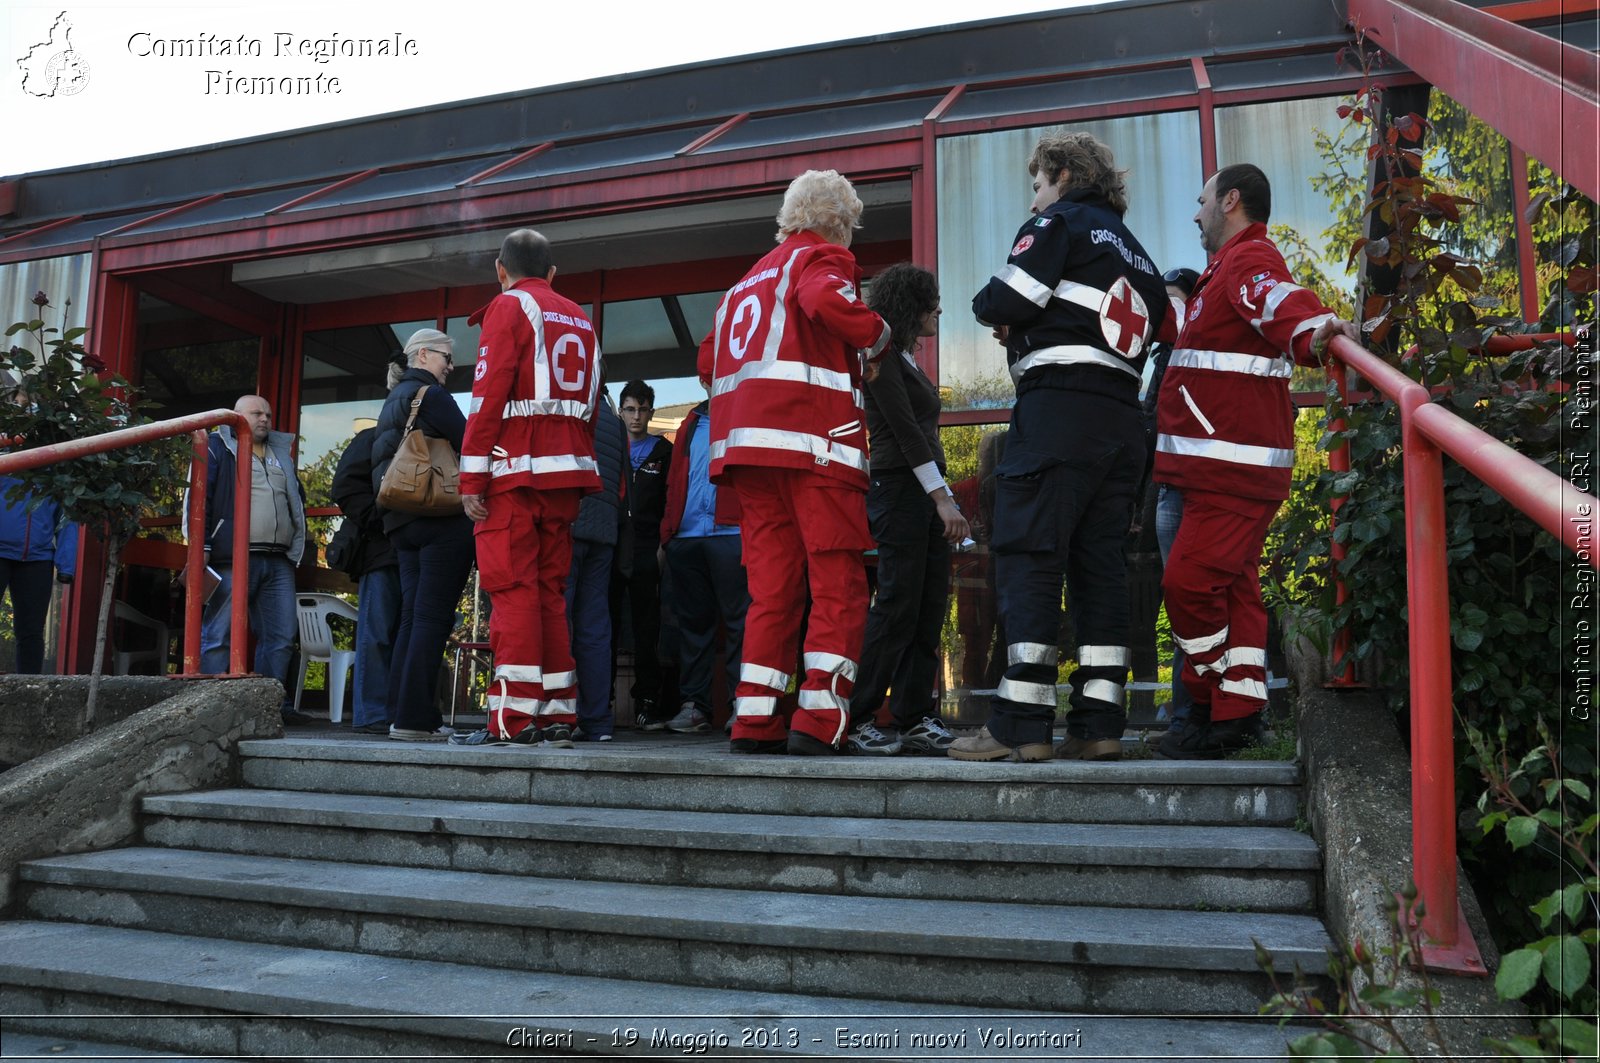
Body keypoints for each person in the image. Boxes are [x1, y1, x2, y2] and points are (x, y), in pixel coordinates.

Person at [950, 131, 1172, 764]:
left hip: (1057, 415)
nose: (1035, 196)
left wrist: (1001, 314)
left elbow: (1006, 297)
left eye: (1039, 183)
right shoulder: (1142, 258)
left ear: (1065, 175)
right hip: (1121, 425)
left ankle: (1020, 725)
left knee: (1031, 559)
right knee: (1100, 569)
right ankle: (1099, 723)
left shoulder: (1056, 224)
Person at [1153, 163, 1358, 759]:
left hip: (1230, 470)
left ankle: (1207, 698)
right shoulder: (1223, 270)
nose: (1194, 214)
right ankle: (1236, 714)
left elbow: (1275, 299)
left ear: (1231, 201)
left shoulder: (1246, 259)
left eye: (1201, 202)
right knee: (1234, 589)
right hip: (1225, 467)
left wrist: (1316, 327)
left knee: (1186, 584)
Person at [698, 168, 892, 755]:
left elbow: (707, 361)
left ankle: (754, 720)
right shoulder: (820, 260)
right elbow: (822, 301)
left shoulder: (741, 286)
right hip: (816, 445)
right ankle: (818, 720)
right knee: (837, 583)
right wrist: (878, 337)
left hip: (746, 454)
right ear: (838, 223)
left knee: (772, 589)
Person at [453, 228, 602, 748]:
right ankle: (558, 712)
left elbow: (488, 395)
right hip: (567, 477)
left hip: (515, 475)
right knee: (548, 595)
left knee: (513, 593)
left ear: (500, 270)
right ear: (554, 274)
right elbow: (589, 402)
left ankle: (512, 719)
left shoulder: (507, 307)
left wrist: (472, 477)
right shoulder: (581, 318)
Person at [844, 263, 969, 756]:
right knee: (897, 606)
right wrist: (943, 498)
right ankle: (857, 718)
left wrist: (943, 499)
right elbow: (903, 431)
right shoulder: (881, 357)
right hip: (899, 492)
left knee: (928, 607)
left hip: (922, 493)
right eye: (930, 300)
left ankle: (914, 716)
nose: (938, 308)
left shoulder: (908, 360)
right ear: (910, 306)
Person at [371, 329, 474, 742]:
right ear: (424, 354)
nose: (450, 366)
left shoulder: (392, 400)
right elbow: (472, 442)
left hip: (400, 520)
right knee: (431, 619)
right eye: (446, 357)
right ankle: (415, 719)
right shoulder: (431, 396)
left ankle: (400, 713)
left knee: (412, 618)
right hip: (439, 518)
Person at [194, 394, 308, 724]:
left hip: (277, 560)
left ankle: (269, 708)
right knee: (219, 634)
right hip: (231, 557)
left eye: (268, 415)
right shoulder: (215, 445)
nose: (265, 420)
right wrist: (200, 546)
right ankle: (208, 710)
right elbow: (199, 496)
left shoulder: (279, 453)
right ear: (235, 416)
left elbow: (295, 503)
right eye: (257, 413)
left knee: (281, 637)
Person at [659, 389, 748, 735]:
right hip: (687, 536)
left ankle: (744, 704)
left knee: (742, 622)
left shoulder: (745, 412)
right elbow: (674, 479)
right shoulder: (691, 423)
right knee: (693, 626)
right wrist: (669, 532)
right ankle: (694, 706)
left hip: (732, 533)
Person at [1140, 267, 1200, 737]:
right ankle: (1180, 709)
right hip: (1161, 492)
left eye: (1176, 302)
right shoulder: (1156, 356)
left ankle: (1187, 711)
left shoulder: (1190, 356)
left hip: (1189, 490)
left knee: (1187, 600)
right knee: (1171, 602)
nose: (1168, 312)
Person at [330, 361, 404, 734]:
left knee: (402, 635)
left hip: (414, 552)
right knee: (376, 635)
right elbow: (343, 487)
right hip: (381, 552)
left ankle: (395, 711)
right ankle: (372, 714)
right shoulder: (372, 439)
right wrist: (378, 519)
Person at [0, 373, 77, 674]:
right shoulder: (4, 441)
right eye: (21, 403)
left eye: (34, 405)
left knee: (31, 632)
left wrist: (66, 564)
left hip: (38, 556)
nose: (27, 410)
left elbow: (69, 512)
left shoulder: (58, 451)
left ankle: (28, 690)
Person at [566, 387, 627, 742]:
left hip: (569, 521)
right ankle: (597, 720)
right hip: (604, 529)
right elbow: (621, 485)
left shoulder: (569, 405)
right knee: (594, 626)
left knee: (561, 619)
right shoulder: (613, 419)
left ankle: (564, 712)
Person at [615, 380, 672, 729]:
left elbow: (673, 500)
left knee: (647, 629)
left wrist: (663, 547)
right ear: (620, 411)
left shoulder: (664, 452)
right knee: (603, 622)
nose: (636, 416)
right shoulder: (610, 446)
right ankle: (597, 703)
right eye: (630, 409)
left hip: (649, 548)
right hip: (613, 546)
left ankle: (647, 703)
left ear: (651, 412)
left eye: (643, 409)